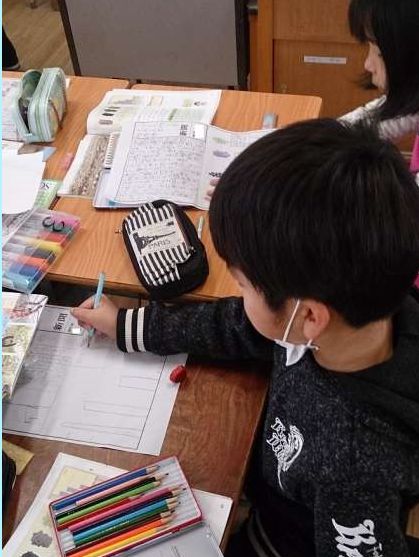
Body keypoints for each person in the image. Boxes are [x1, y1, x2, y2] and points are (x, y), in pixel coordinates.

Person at [73, 119, 419, 557]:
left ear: (309, 316)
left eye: (242, 285)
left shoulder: (354, 466)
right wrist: (126, 325)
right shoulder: (358, 311)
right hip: (261, 491)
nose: (239, 296)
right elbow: (237, 325)